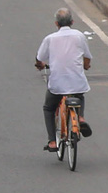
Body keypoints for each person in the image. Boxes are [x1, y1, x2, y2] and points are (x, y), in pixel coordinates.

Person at [34, 8, 92, 151]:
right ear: (72, 22)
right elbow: (87, 57)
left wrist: (40, 65)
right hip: (77, 82)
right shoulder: (79, 36)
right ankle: (80, 118)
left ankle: (53, 142)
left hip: (57, 85)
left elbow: (39, 58)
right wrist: (86, 66)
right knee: (79, 95)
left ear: (56, 23)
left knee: (48, 108)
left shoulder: (50, 39)